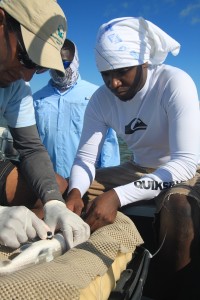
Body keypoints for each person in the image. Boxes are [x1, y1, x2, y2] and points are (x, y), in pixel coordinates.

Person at [65, 17, 200, 299]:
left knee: (179, 208)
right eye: (104, 74)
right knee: (61, 189)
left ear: (144, 62)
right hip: (137, 168)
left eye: (122, 71)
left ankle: (169, 289)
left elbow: (186, 161)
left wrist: (116, 196)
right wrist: (75, 191)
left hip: (186, 168)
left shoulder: (174, 83)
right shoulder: (101, 99)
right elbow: (85, 158)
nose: (113, 83)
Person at [0, 0, 90, 250]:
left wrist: (54, 203)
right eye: (27, 57)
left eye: (39, 67)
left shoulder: (17, 86)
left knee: (57, 186)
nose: (28, 75)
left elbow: (30, 148)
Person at [33, 38, 120, 179]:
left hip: (88, 180)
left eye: (64, 63)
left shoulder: (97, 94)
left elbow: (109, 140)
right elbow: (31, 143)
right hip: (48, 180)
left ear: (76, 61)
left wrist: (107, 179)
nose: (59, 69)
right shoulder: (36, 99)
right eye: (53, 64)